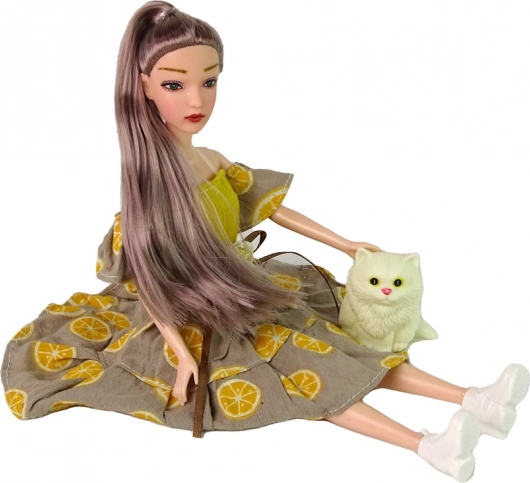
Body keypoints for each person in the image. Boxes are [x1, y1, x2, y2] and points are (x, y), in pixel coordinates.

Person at [2, 3, 528, 482]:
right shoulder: (151, 187)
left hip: (244, 283)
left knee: (342, 347)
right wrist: (181, 353)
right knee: (310, 375)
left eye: (209, 81)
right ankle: (428, 447)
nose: (197, 100)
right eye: (174, 85)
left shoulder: (211, 159)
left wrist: (344, 243)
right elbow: (152, 280)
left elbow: (271, 206)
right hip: (194, 309)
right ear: (142, 86)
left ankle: (473, 399)